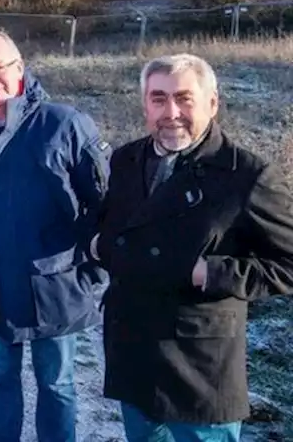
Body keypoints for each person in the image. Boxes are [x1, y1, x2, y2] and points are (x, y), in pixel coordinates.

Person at [92, 53, 293, 442]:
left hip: (198, 367)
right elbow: (115, 224)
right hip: (133, 352)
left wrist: (212, 272)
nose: (171, 112)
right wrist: (99, 245)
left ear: (212, 103)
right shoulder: (126, 159)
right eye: (158, 98)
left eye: (185, 98)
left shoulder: (246, 176)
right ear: (145, 104)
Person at [0, 28, 109, 442]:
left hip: (54, 285)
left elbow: (104, 205)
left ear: (20, 68)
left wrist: (93, 271)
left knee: (57, 385)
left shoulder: (65, 124)